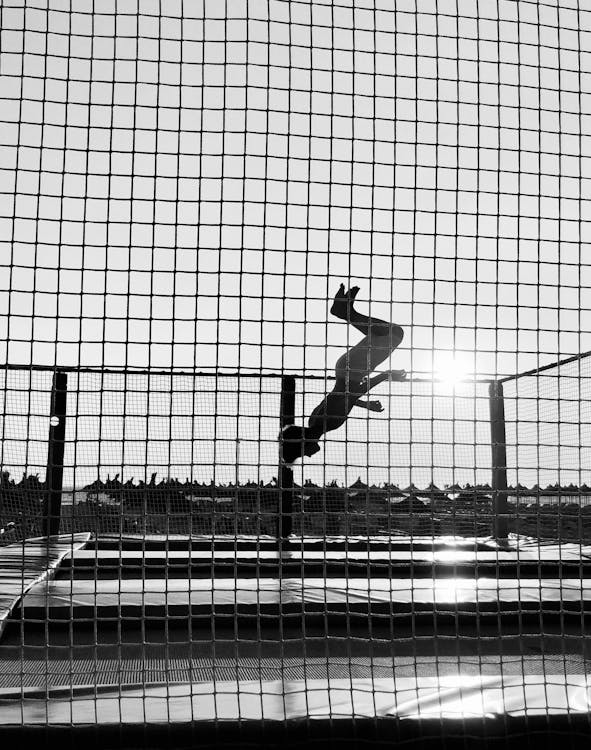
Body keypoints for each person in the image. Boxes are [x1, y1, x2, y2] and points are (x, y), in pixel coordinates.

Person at [281, 284, 406, 464]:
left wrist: (387, 375)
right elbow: (343, 398)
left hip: (354, 370)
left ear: (302, 443)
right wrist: (366, 405)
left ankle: (343, 312)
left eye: (302, 453)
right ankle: (345, 312)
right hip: (346, 369)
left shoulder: (328, 424)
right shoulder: (314, 421)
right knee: (385, 333)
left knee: (394, 333)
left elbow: (351, 394)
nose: (307, 455)